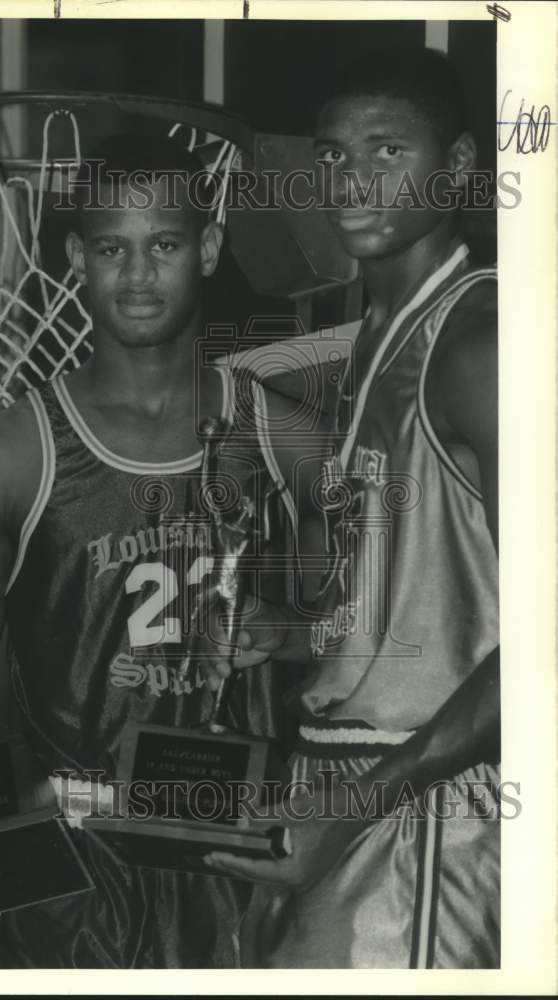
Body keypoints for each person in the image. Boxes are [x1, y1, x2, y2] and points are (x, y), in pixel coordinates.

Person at [0, 134, 309, 967]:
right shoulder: (11, 454)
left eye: (165, 245)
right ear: (75, 256)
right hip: (70, 879)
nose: (138, 276)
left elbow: (378, 640)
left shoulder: (288, 439)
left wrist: (296, 633)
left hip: (239, 871)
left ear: (208, 248)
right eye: (111, 248)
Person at [202, 48, 501, 969]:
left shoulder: (479, 347)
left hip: (426, 797)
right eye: (333, 156)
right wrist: (299, 633)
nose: (349, 181)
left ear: (454, 166)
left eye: (385, 152)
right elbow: (438, 588)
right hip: (345, 773)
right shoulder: (376, 333)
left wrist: (360, 801)